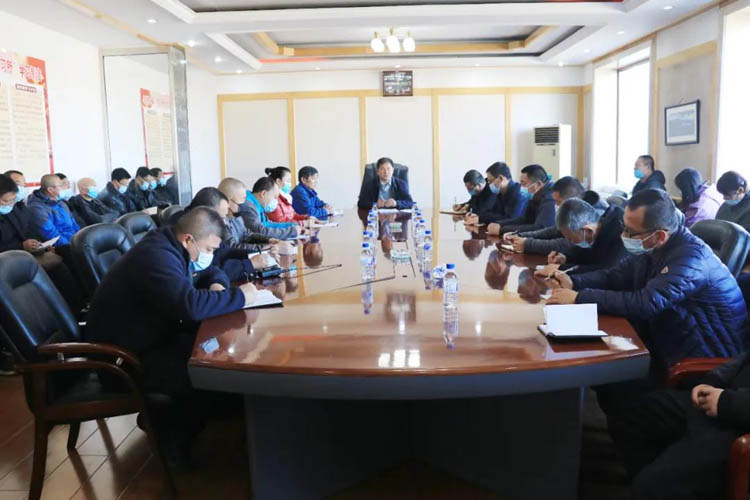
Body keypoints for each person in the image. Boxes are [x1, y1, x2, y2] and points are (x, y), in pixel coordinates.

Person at [84, 207, 258, 465]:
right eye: (209, 249)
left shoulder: (173, 246)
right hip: (124, 361)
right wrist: (240, 296)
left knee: (221, 356)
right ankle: (173, 437)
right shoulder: (156, 255)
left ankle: (182, 423)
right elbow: (189, 306)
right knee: (213, 371)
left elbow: (211, 269)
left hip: (152, 339)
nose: (210, 255)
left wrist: (217, 284)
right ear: (188, 239)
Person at [548, 189, 748, 382]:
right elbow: (615, 276)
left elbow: (646, 303)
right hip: (668, 337)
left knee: (612, 378)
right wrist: (575, 281)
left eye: (630, 231)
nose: (623, 235)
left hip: (702, 359)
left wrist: (579, 297)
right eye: (623, 227)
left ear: (659, 235)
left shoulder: (691, 259)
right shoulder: (652, 247)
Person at [607, 353, 750, 500]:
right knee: (630, 415)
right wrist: (711, 381)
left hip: (738, 427)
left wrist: (728, 402)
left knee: (654, 485)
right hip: (722, 402)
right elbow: (742, 360)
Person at [0, 174, 86, 314]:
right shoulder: (35, 207)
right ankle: (70, 310)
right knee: (57, 262)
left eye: (12, 201)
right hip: (7, 259)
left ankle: (78, 306)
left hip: (25, 252)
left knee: (66, 253)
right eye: (5, 201)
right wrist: (22, 246)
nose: (10, 205)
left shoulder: (14, 208)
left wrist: (40, 244)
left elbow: (26, 232)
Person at [165, 187, 273, 280]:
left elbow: (225, 251)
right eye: (220, 218)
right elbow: (210, 270)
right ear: (204, 213)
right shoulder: (185, 230)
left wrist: (257, 252)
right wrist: (250, 264)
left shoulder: (203, 225)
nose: (224, 223)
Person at [536, 198, 627, 275]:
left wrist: (560, 268)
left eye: (571, 239)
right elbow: (585, 255)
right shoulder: (596, 225)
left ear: (588, 230)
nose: (570, 242)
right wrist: (565, 258)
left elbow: (606, 271)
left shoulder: (621, 230)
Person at [503, 176, 584, 255]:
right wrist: (519, 235)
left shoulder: (585, 217)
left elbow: (567, 244)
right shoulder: (570, 214)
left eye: (558, 202)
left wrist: (527, 244)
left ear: (572, 200)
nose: (555, 205)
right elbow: (552, 231)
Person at [487, 164, 555, 235]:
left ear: (538, 184)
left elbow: (540, 228)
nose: (521, 187)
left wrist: (502, 230)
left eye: (524, 183)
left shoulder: (550, 199)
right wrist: (498, 224)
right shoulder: (535, 195)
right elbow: (524, 220)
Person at [218, 177, 276, 252]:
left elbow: (247, 235)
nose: (244, 204)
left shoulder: (236, 216)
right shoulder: (218, 222)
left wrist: (269, 240)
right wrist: (262, 247)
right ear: (227, 202)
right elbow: (232, 247)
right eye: (241, 201)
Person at [27, 174, 80, 246]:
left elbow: (74, 224)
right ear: (50, 190)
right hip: (61, 246)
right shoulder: (36, 208)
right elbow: (51, 236)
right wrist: (72, 245)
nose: (67, 188)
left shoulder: (61, 203)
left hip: (74, 242)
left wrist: (80, 239)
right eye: (61, 186)